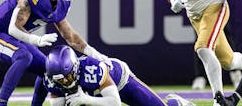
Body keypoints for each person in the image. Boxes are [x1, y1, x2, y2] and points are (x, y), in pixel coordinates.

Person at [0, 0, 111, 106]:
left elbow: (71, 38)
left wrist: (97, 55)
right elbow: (13, 28)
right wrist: (37, 40)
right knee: (24, 56)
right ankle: (1, 104)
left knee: (48, 71)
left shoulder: (60, 2)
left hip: (16, 39)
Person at [44, 44, 196, 106]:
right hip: (92, 93)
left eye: (67, 76)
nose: (64, 82)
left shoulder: (92, 69)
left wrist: (85, 99)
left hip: (121, 83)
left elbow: (114, 102)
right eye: (59, 79)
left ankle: (179, 103)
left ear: (75, 67)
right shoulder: (53, 81)